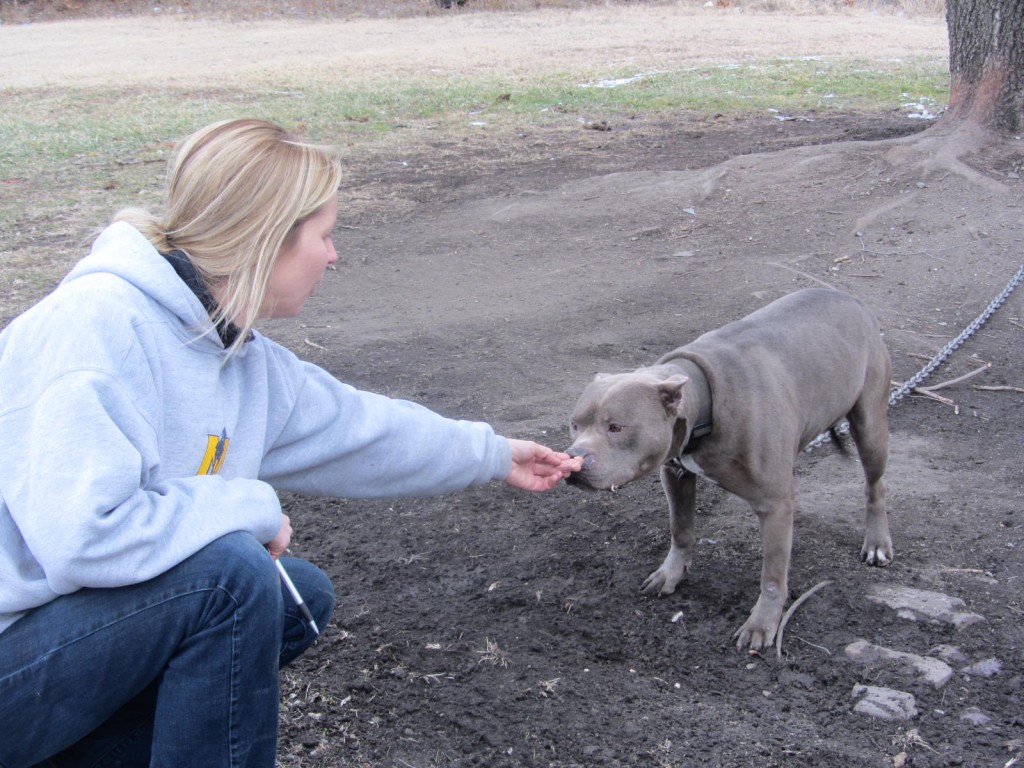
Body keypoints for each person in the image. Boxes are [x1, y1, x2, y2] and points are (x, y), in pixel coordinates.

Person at [0, 118, 582, 768]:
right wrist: (250, 509)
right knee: (231, 581)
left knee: (292, 597)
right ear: (266, 238)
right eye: (324, 235)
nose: (334, 256)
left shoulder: (240, 361)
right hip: (14, 653)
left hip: (64, 648)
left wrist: (495, 454)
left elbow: (364, 431)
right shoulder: (95, 328)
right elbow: (85, 538)